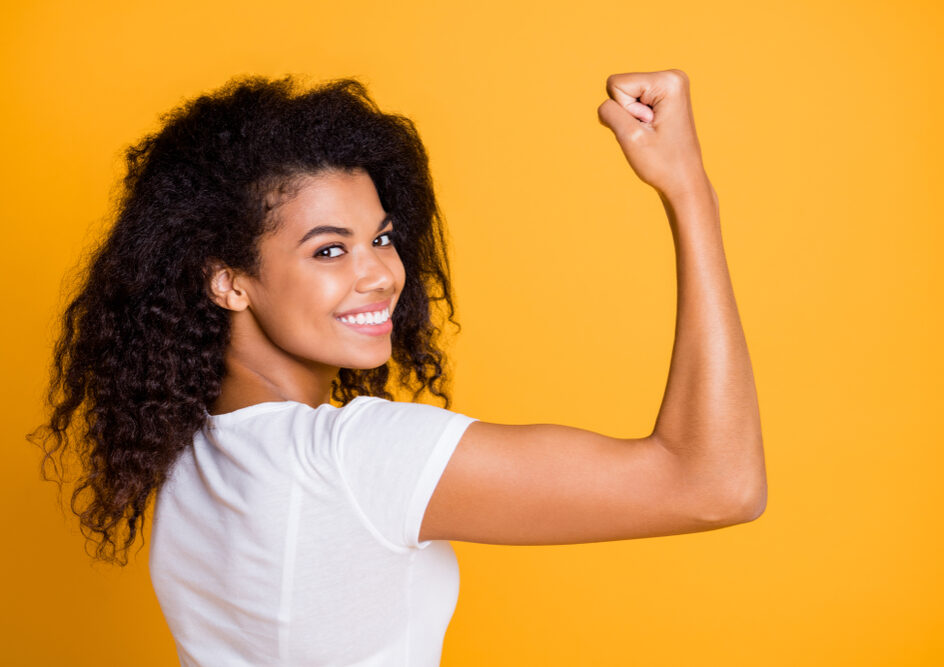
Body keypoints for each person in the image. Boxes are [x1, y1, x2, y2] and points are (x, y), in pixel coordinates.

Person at [29, 69, 767, 666]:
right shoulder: (353, 458)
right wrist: (687, 189)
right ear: (228, 280)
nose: (381, 273)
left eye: (380, 237)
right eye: (328, 249)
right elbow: (715, 485)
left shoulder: (187, 449)